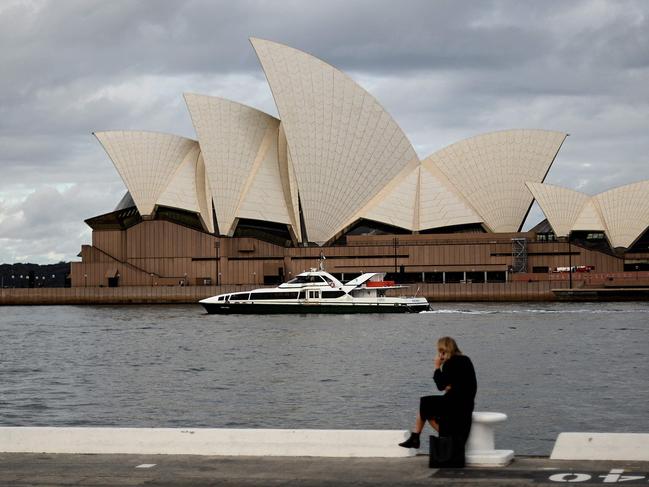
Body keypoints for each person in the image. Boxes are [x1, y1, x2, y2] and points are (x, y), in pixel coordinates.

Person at [398, 336, 477, 449]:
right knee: (427, 406)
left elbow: (440, 386)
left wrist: (437, 367)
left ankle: (416, 437)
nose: (440, 355)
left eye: (441, 352)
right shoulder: (466, 360)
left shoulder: (450, 363)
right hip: (467, 404)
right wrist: (449, 385)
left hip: (455, 404)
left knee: (425, 404)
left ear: (446, 351)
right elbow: (458, 382)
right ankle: (416, 437)